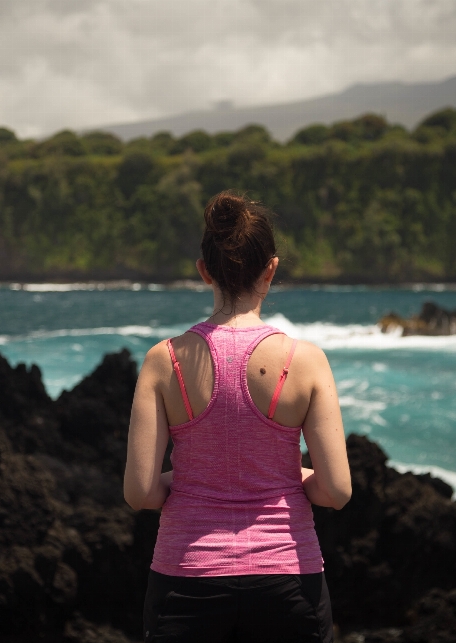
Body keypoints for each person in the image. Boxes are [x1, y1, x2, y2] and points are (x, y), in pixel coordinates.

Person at [124, 190, 352, 643]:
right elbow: (336, 491)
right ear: (271, 269)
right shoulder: (305, 361)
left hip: (185, 581)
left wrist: (190, 479)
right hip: (288, 581)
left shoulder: (162, 361)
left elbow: (141, 493)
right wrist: (292, 476)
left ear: (204, 270)